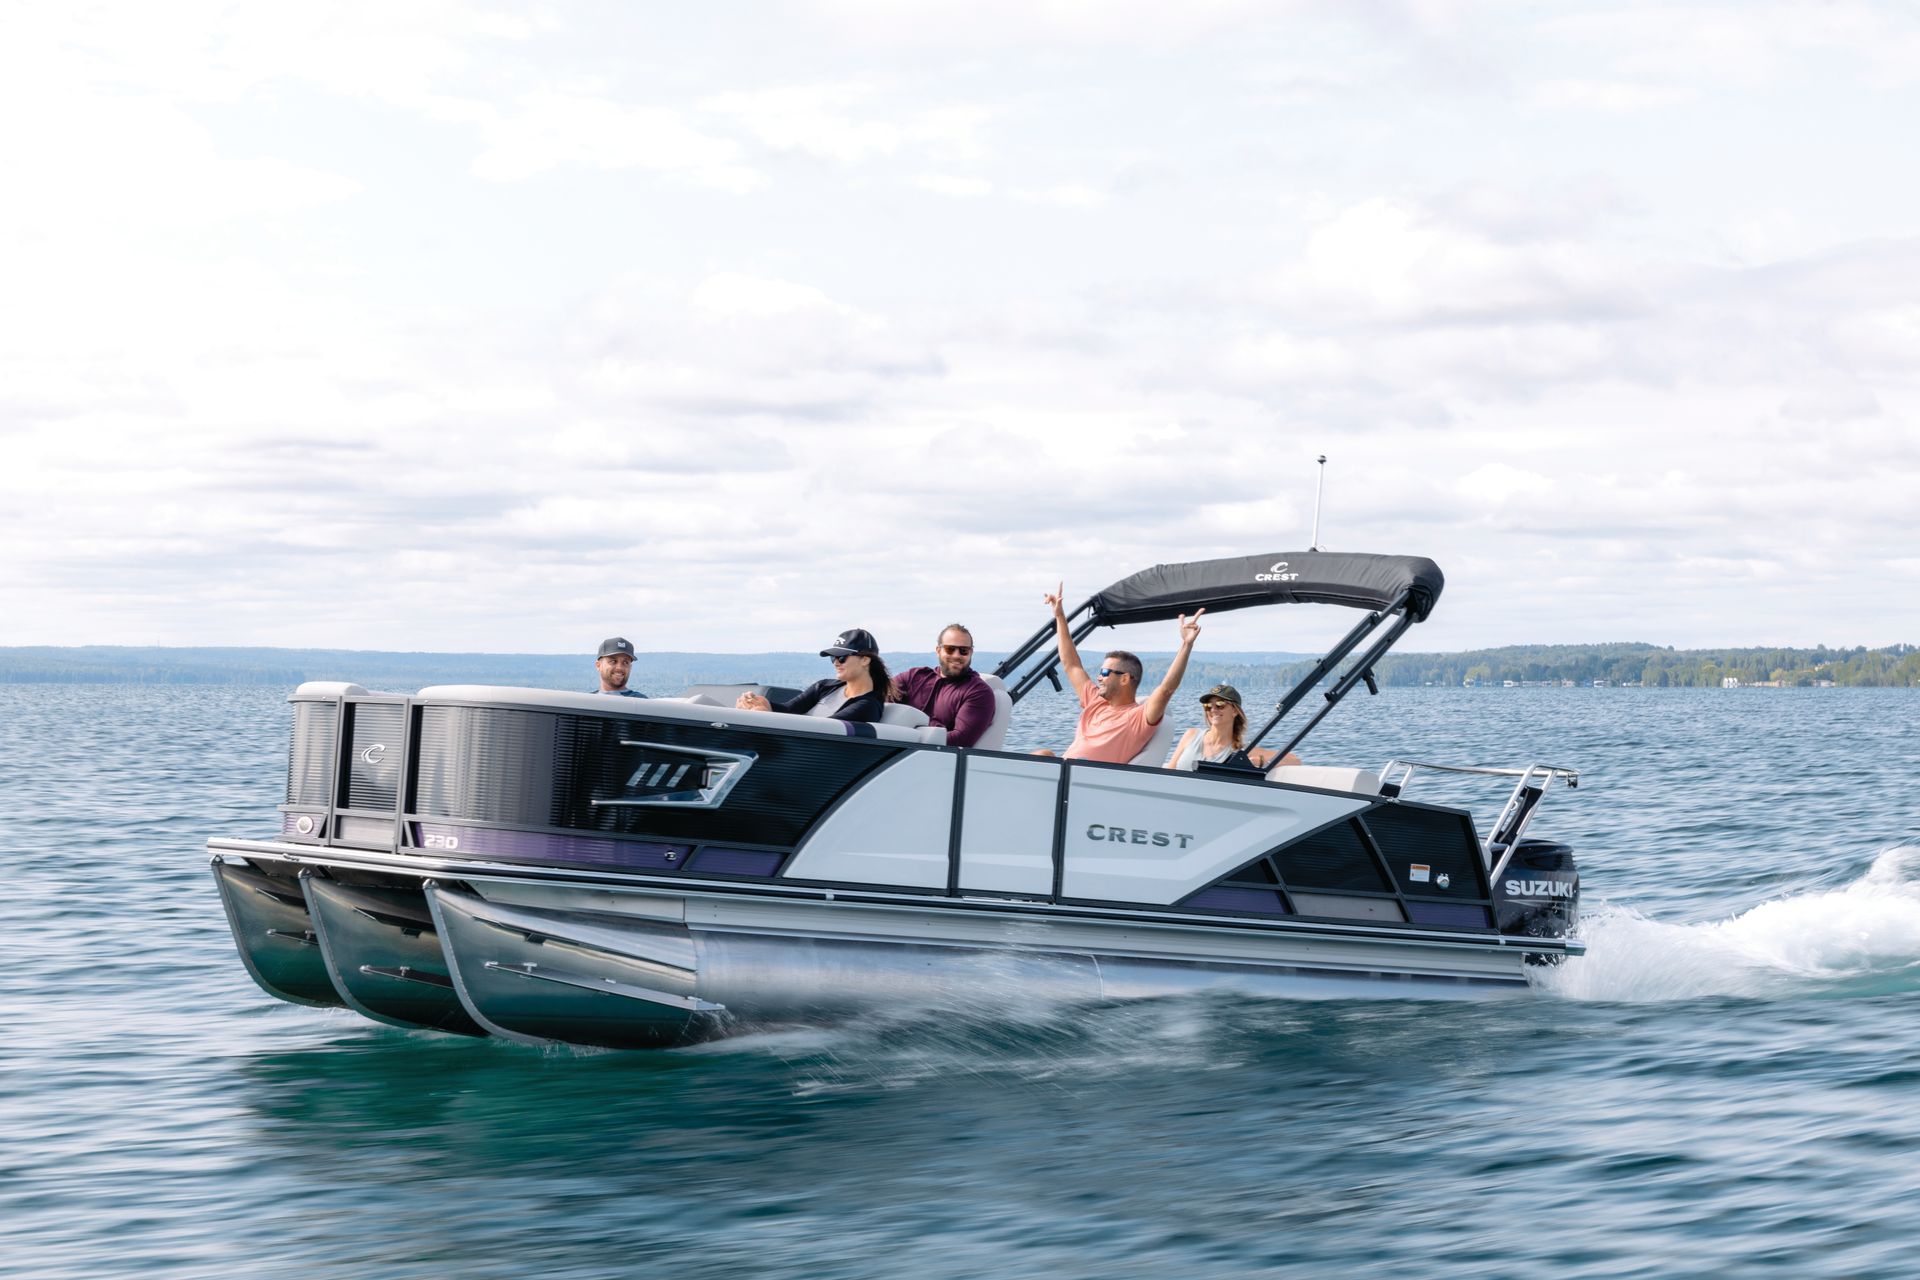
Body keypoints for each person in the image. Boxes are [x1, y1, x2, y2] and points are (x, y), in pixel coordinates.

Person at [1033, 583, 1202, 763]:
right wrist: (1059, 616)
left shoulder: (1138, 718)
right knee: (1043, 754)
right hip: (1065, 772)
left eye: (1105, 672)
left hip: (1088, 777)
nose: (1099, 677)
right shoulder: (1095, 701)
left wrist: (1186, 644)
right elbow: (1071, 665)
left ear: (1124, 679)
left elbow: (1166, 689)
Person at [735, 628, 892, 723]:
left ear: (865, 660)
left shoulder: (868, 706)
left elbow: (825, 729)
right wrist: (759, 703)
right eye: (833, 658)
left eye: (842, 657)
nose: (836, 663)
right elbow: (788, 710)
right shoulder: (824, 686)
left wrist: (764, 715)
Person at [891, 624, 997, 748]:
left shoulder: (978, 692)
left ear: (971, 652)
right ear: (938, 650)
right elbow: (879, 698)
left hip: (933, 757)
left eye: (964, 650)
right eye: (950, 649)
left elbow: (960, 740)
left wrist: (906, 736)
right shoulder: (913, 677)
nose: (956, 655)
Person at [1165, 684, 1299, 771]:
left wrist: (1260, 761)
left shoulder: (1241, 752)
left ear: (1235, 711)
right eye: (1208, 706)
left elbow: (1294, 759)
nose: (1213, 710)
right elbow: (1169, 771)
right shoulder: (1191, 735)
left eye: (1220, 705)